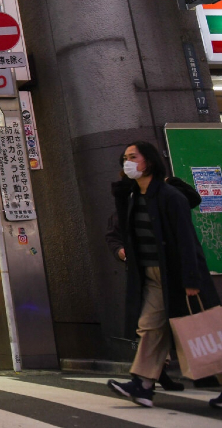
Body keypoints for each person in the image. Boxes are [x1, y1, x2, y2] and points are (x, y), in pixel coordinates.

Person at [106, 142, 221, 408]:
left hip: (178, 274)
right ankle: (143, 384)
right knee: (150, 327)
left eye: (133, 157)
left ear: (149, 161)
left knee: (205, 332)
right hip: (151, 275)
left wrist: (191, 279)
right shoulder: (134, 197)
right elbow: (122, 231)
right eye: (125, 158)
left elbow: (186, 240)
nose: (128, 162)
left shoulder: (170, 196)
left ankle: (143, 385)